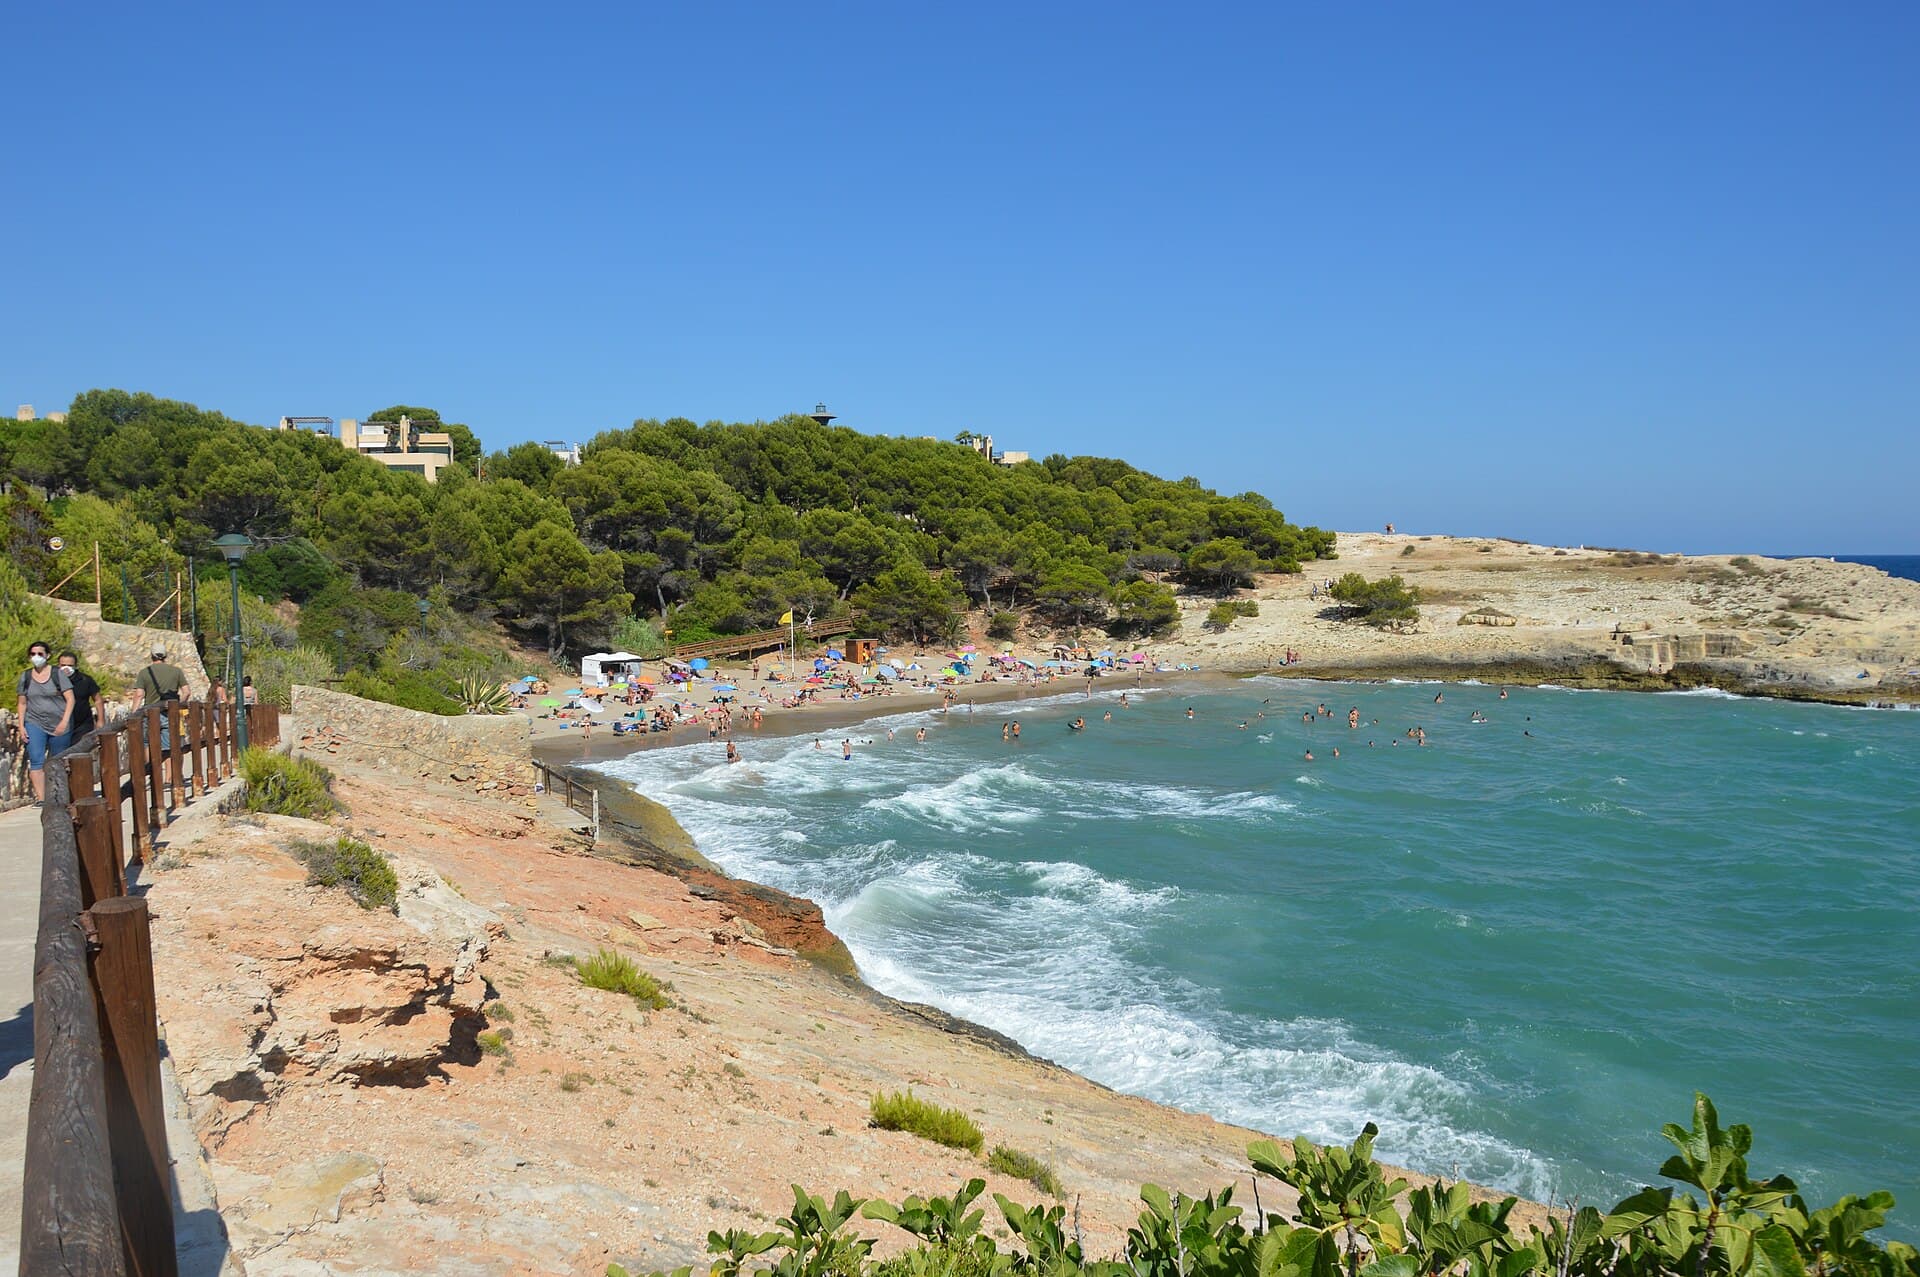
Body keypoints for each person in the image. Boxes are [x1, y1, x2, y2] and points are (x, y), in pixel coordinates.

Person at [16, 640, 74, 802]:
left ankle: (59, 796)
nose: (36, 657)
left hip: (59, 722)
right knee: (36, 760)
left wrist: (64, 721)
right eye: (33, 654)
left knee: (58, 760)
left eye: (40, 654)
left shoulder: (57, 674)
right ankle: (42, 799)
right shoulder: (26, 677)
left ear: (47, 656)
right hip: (34, 722)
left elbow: (70, 699)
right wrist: (21, 726)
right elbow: (22, 702)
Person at [56, 651, 102, 740]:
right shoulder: (52, 681)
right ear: (58, 665)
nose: (66, 668)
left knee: (81, 750)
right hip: (59, 724)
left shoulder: (85, 680)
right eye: (63, 665)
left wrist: (100, 721)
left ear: (76, 666)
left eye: (70, 666)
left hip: (82, 725)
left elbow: (98, 699)